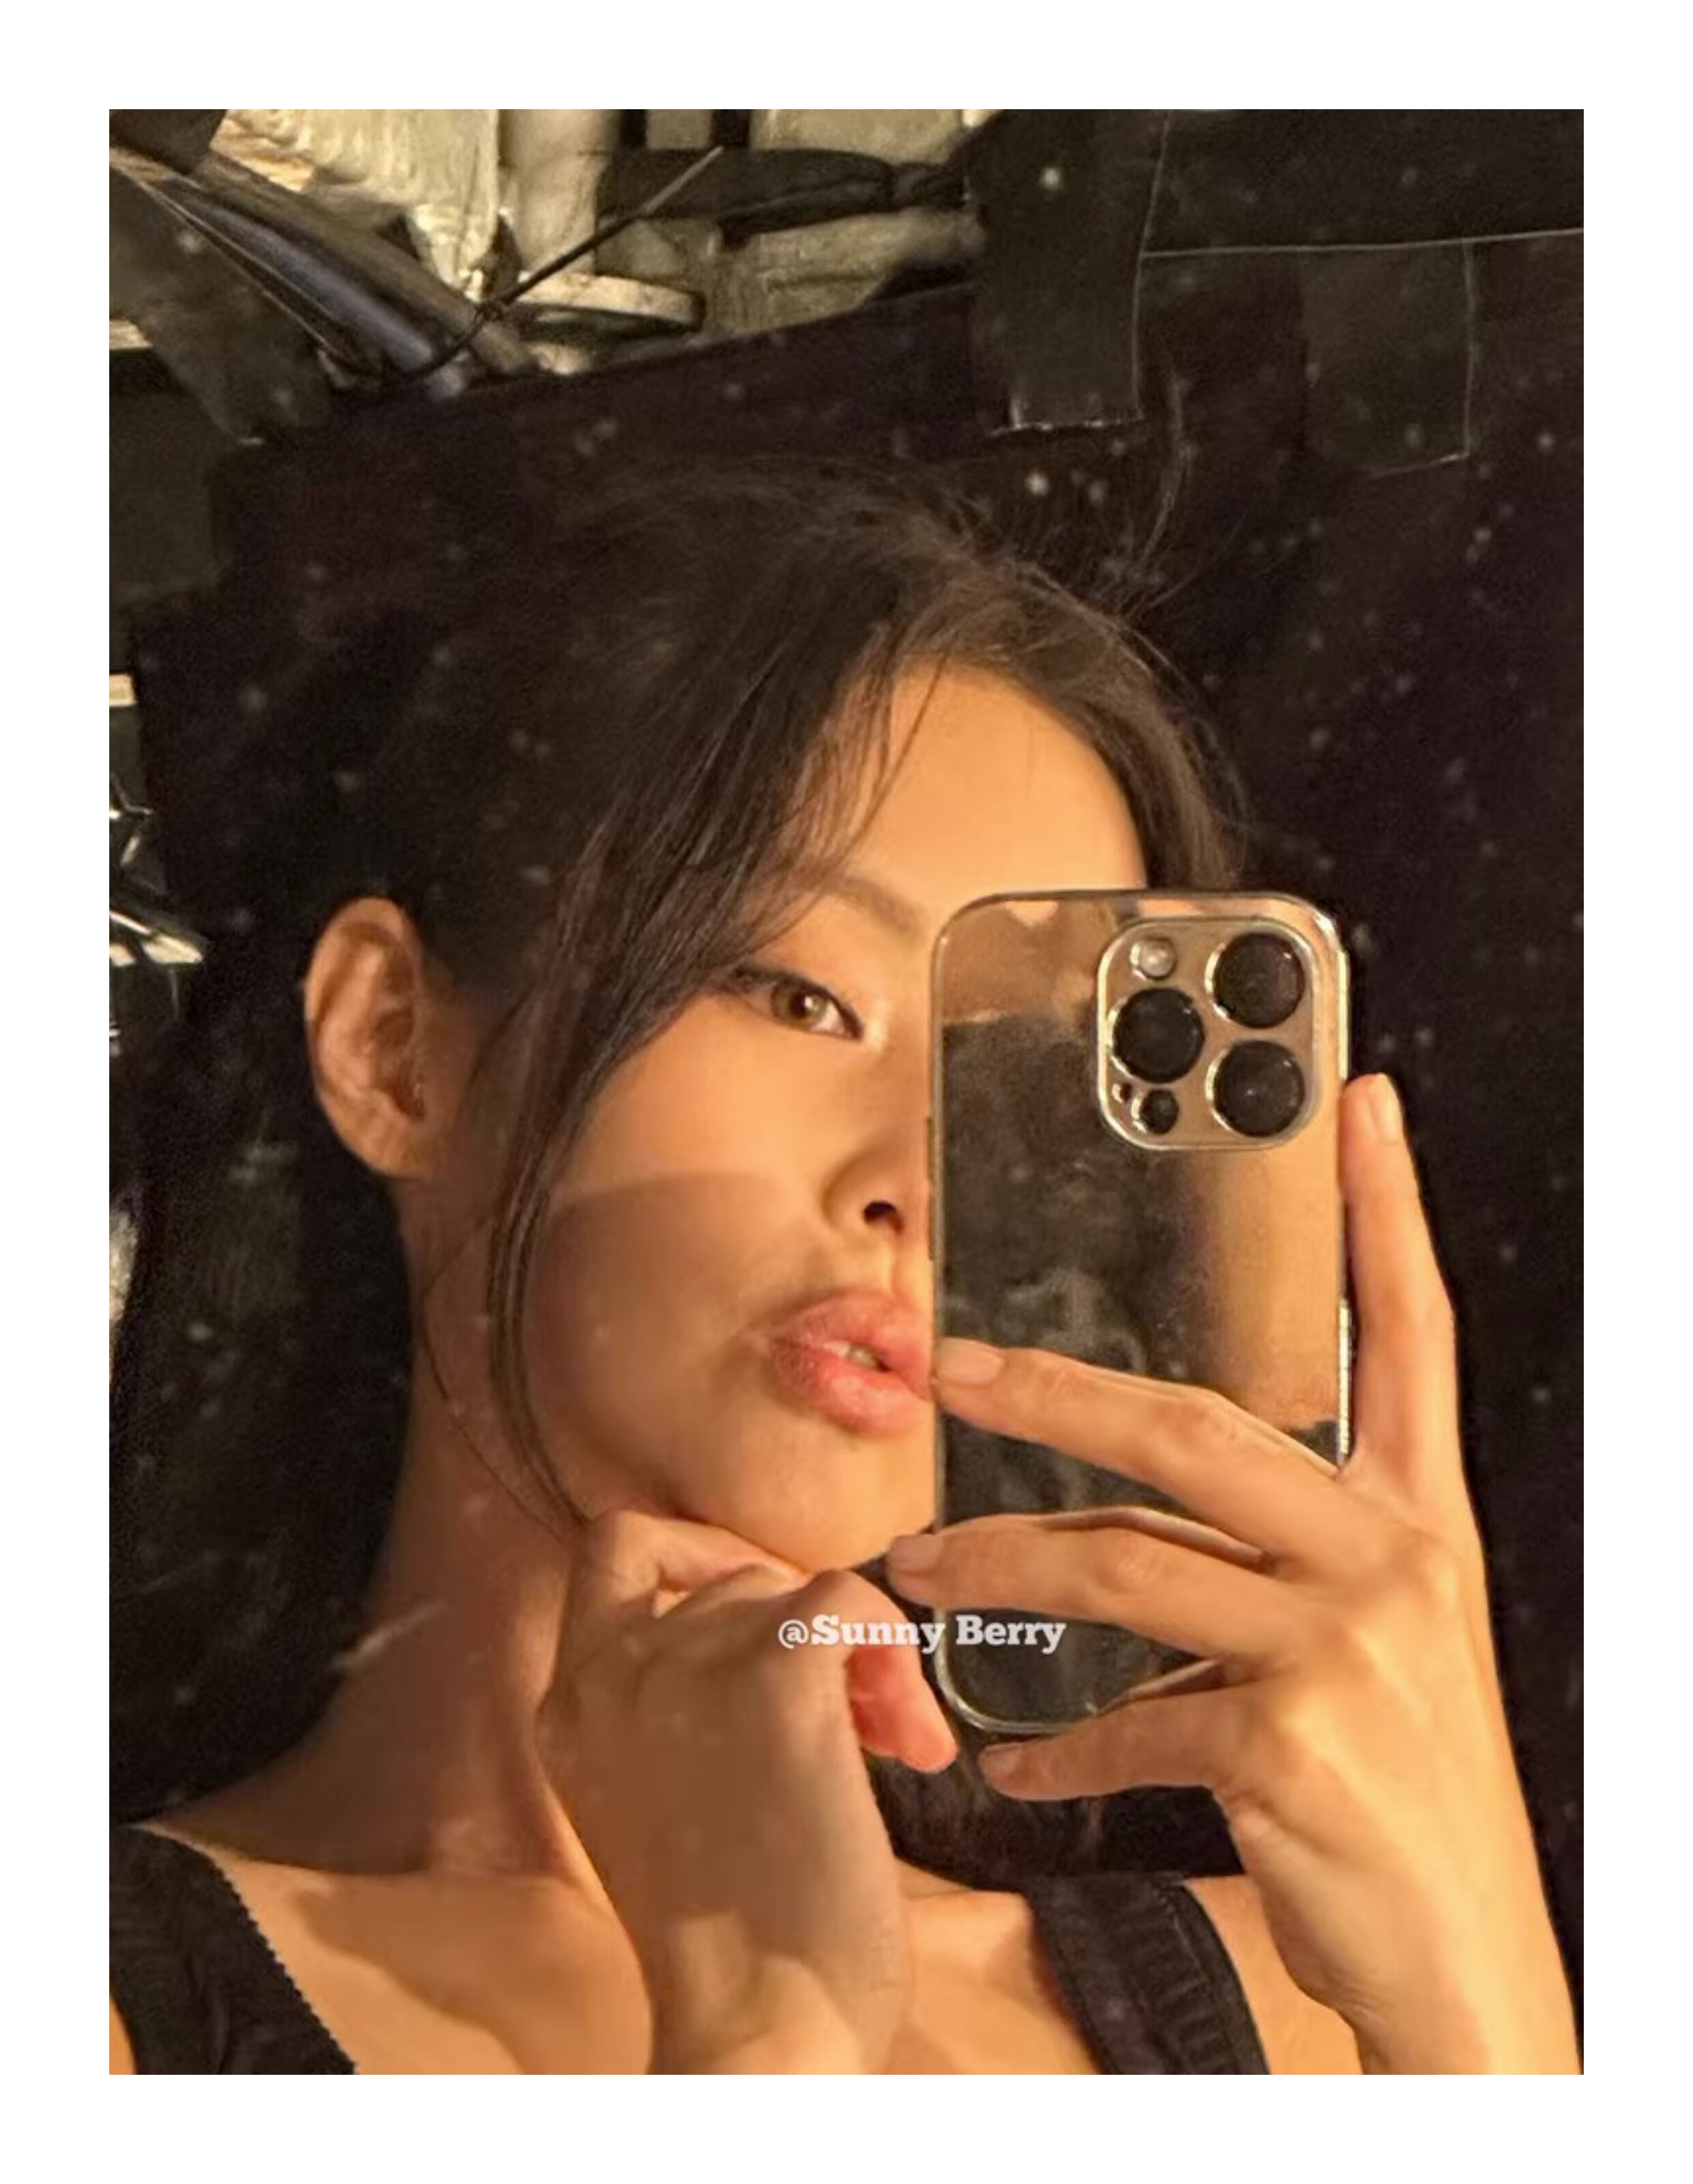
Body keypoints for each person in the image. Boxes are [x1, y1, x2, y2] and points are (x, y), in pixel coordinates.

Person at [109, 458, 1579, 2073]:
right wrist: (766, 2033)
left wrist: (1483, 1966)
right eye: (801, 995)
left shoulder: (1305, 2015)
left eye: (1030, 1079)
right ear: (393, 1043)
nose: (927, 1183)